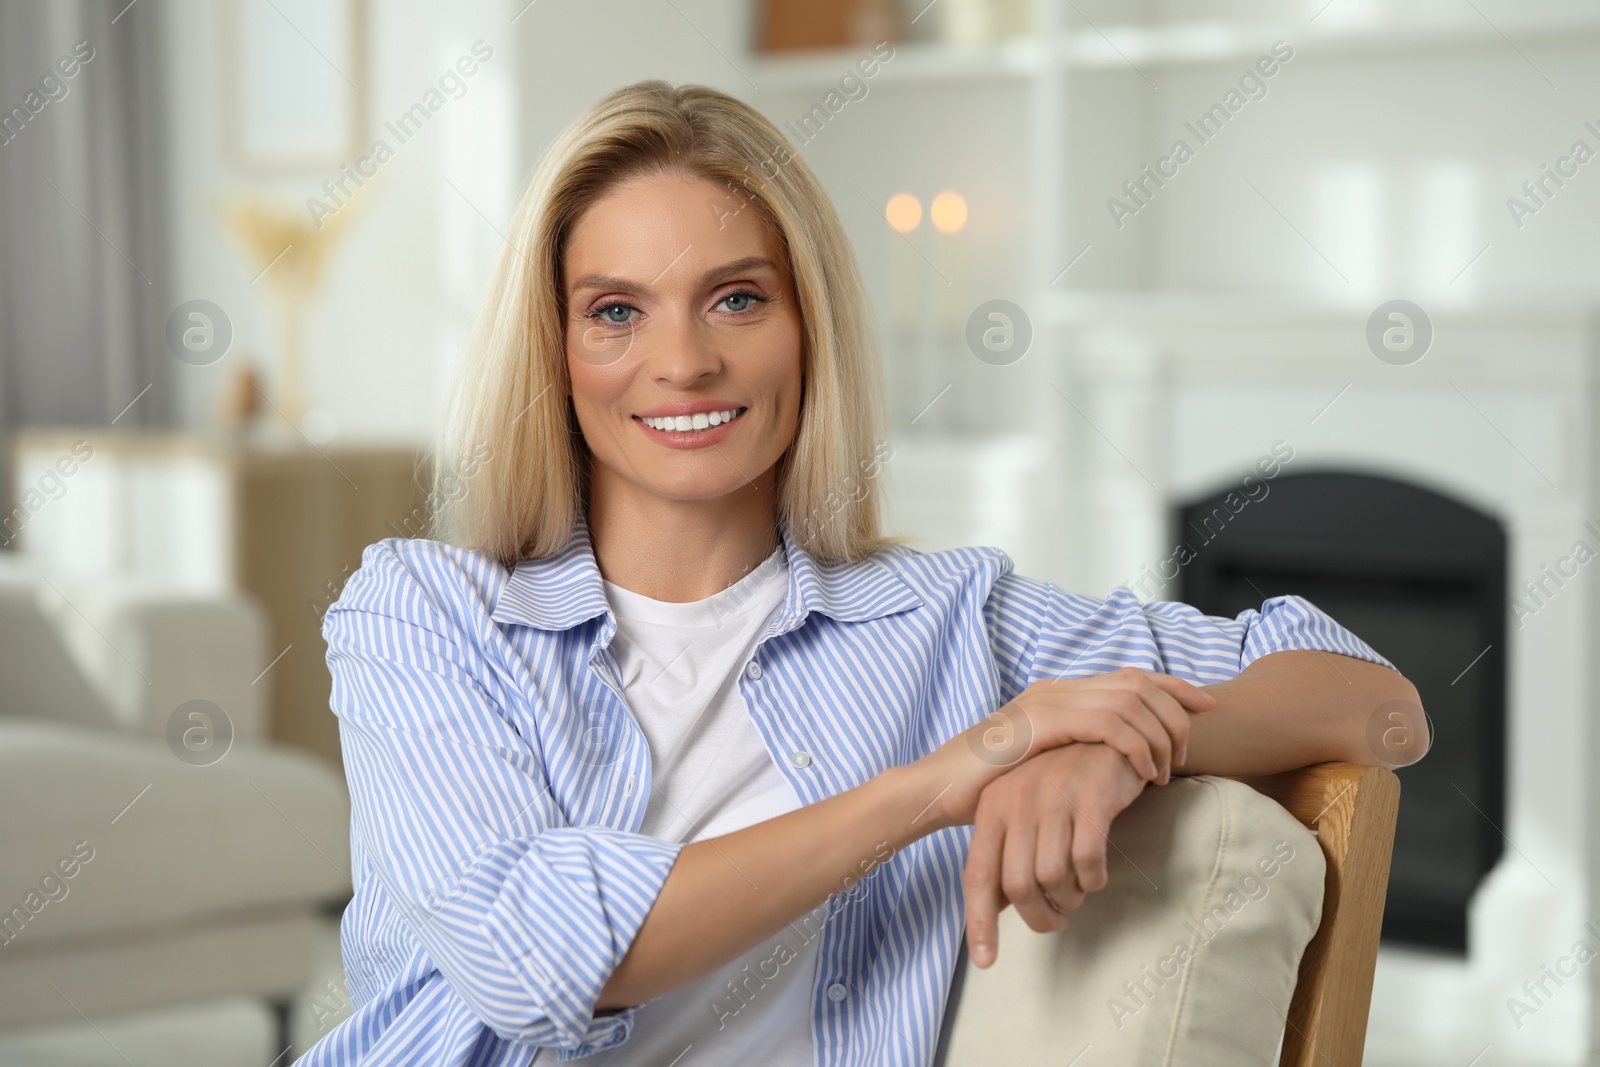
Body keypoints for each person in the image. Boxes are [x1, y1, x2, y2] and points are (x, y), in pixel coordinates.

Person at [299, 81, 1426, 1066]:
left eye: (738, 296)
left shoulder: (944, 622)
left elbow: (1378, 704)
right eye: (614, 312)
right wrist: (953, 773)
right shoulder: (426, 612)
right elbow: (535, 959)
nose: (684, 359)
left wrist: (1115, 743)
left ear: (808, 325)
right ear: (553, 350)